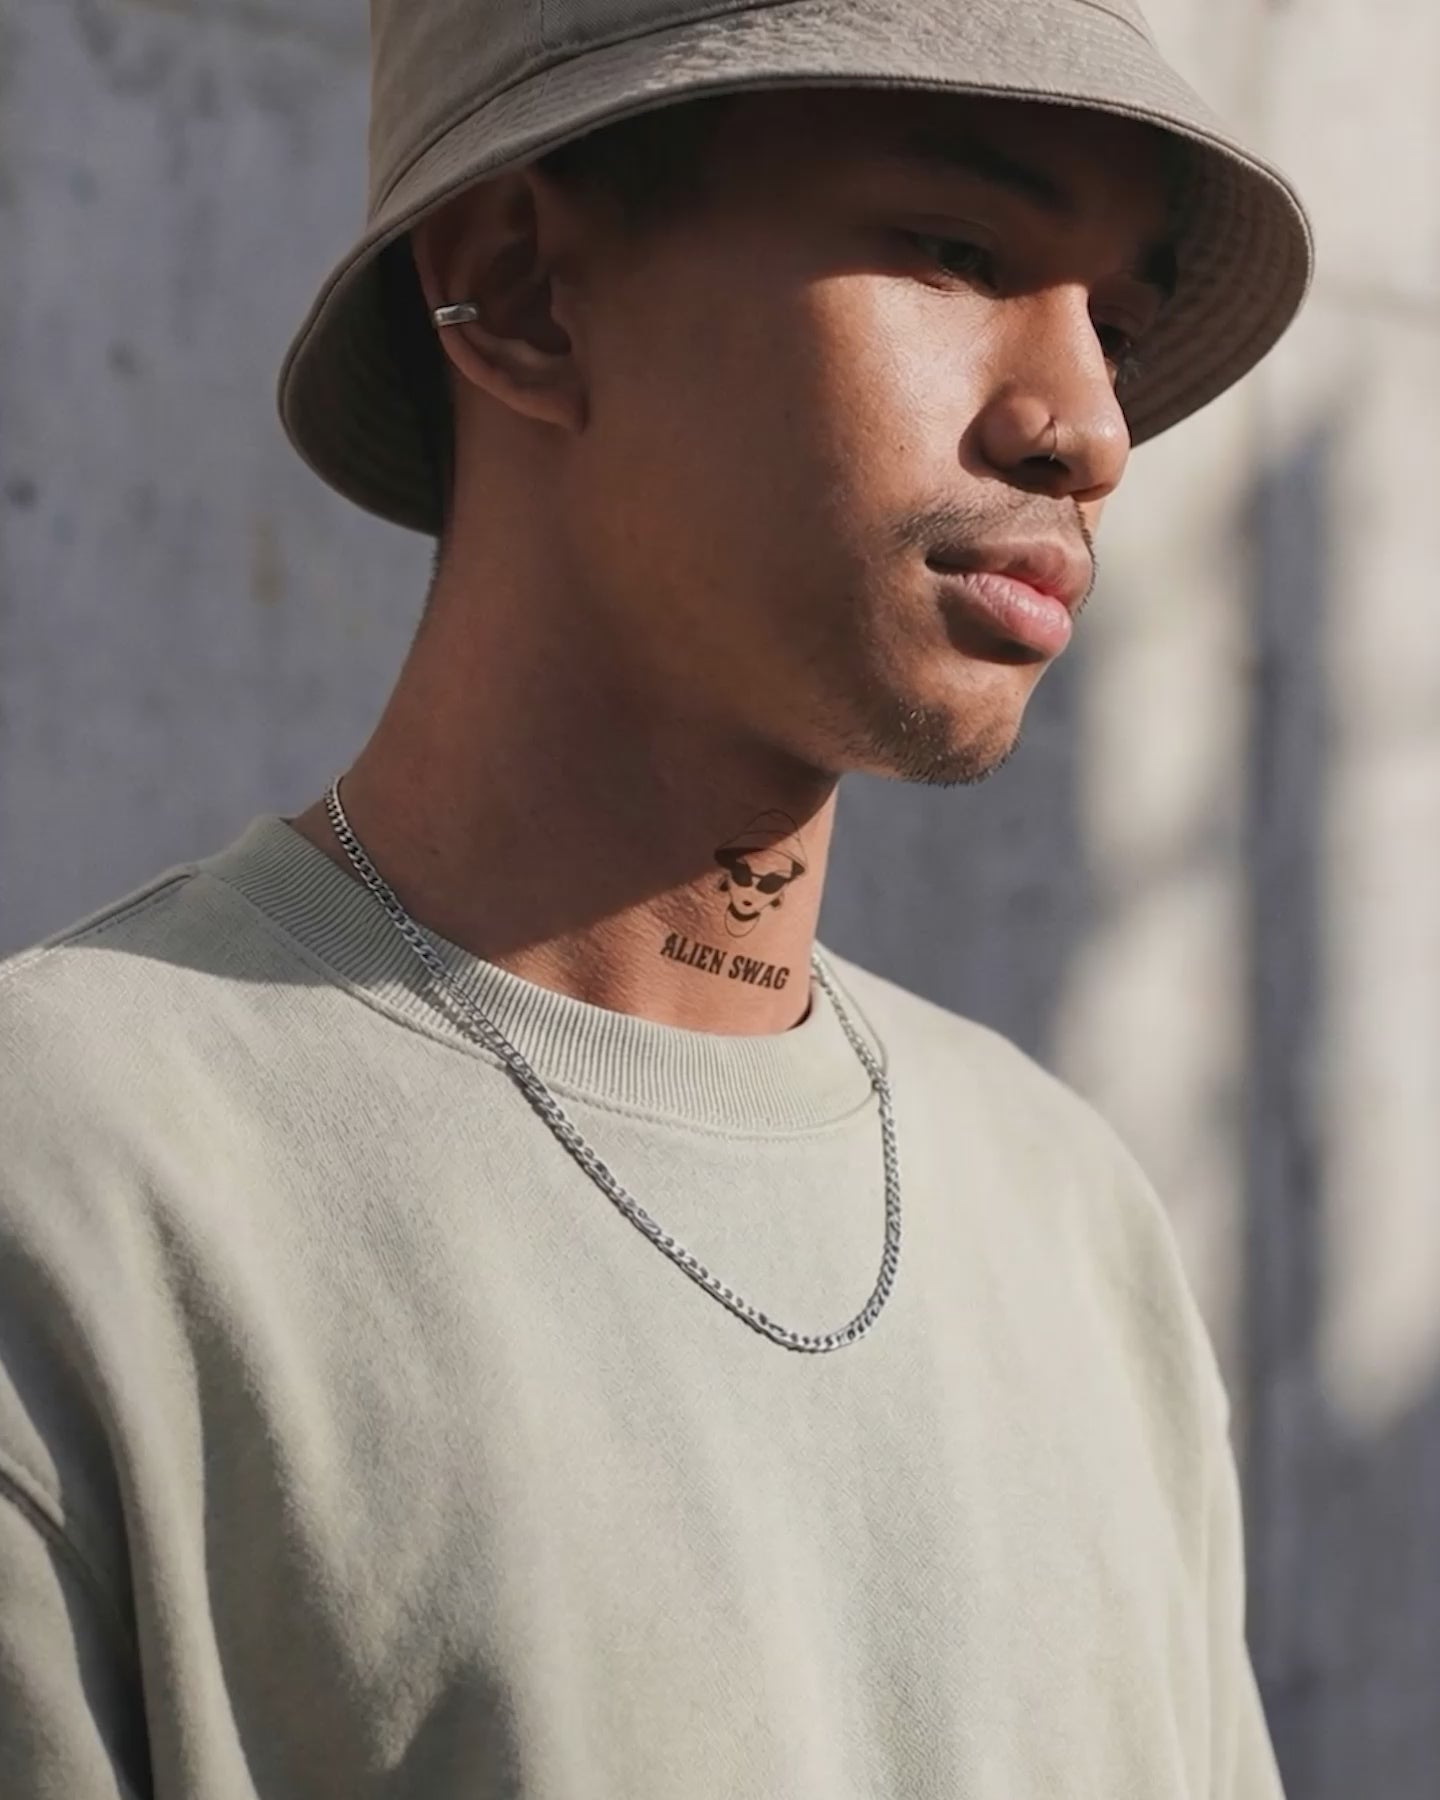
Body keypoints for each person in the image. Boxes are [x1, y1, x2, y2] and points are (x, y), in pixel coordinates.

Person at [0, 0, 1314, 1795]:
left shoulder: (1072, 1222)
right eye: (959, 250)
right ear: (523, 294)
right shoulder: (82, 1181)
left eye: (1121, 325)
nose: (1086, 425)